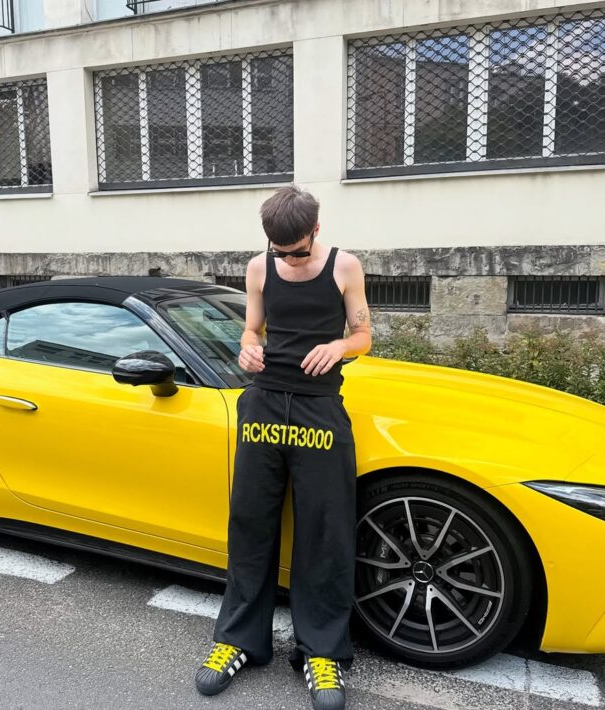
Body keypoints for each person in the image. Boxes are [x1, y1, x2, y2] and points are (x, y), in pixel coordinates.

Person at [195, 185, 371, 710]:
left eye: (297, 252)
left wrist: (339, 345)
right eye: (280, 252)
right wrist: (247, 348)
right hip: (264, 405)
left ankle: (322, 651)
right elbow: (251, 331)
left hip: (320, 409)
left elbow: (363, 336)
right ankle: (238, 640)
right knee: (250, 523)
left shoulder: (345, 267)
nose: (289, 260)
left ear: (316, 230)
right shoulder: (258, 268)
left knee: (324, 529)